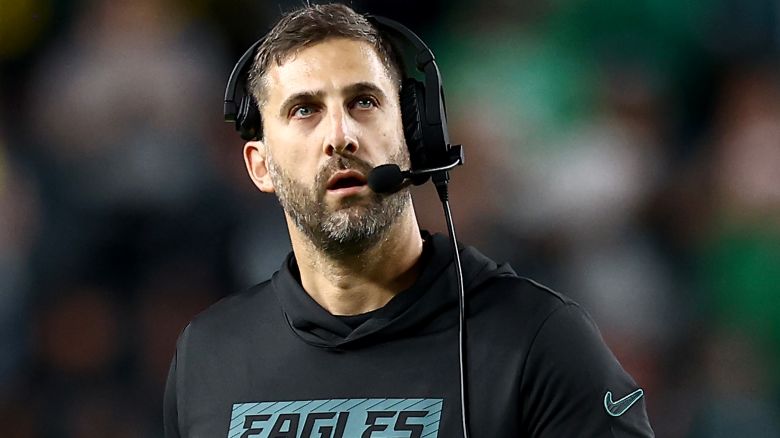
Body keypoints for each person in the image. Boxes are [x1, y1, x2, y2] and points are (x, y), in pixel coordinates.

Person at [164, 3, 654, 437]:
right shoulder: (207, 358)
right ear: (259, 165)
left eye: (364, 101)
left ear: (414, 137)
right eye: (305, 109)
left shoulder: (540, 342)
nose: (340, 135)